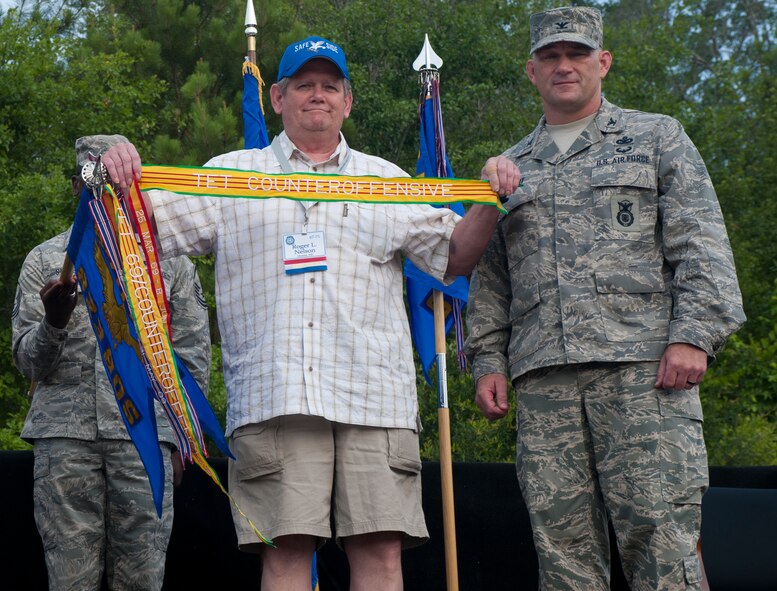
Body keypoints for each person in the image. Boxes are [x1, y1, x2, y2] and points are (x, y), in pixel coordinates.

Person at [102, 35, 519, 591]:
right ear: (277, 97)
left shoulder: (387, 180)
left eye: (330, 86)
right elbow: (132, 226)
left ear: (347, 101)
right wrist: (107, 161)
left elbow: (455, 257)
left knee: (381, 555)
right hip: (275, 398)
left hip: (376, 399)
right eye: (304, 84)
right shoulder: (229, 177)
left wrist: (489, 200)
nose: (316, 95)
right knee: (286, 555)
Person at [465, 6, 745, 591]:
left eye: (577, 54)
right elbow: (492, 278)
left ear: (603, 62)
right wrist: (488, 360)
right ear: (532, 71)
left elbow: (702, 244)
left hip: (643, 373)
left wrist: (694, 335)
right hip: (544, 382)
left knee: (660, 537)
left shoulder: (654, 137)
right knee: (561, 550)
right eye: (550, 57)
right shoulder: (509, 168)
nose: (564, 66)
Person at [12, 134, 212, 591]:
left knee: (142, 578)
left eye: (116, 184)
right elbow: (28, 362)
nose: (107, 195)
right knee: (70, 580)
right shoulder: (46, 261)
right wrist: (53, 324)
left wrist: (184, 439)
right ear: (78, 189)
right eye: (95, 185)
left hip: (145, 440)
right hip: (66, 441)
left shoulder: (169, 262)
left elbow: (192, 356)